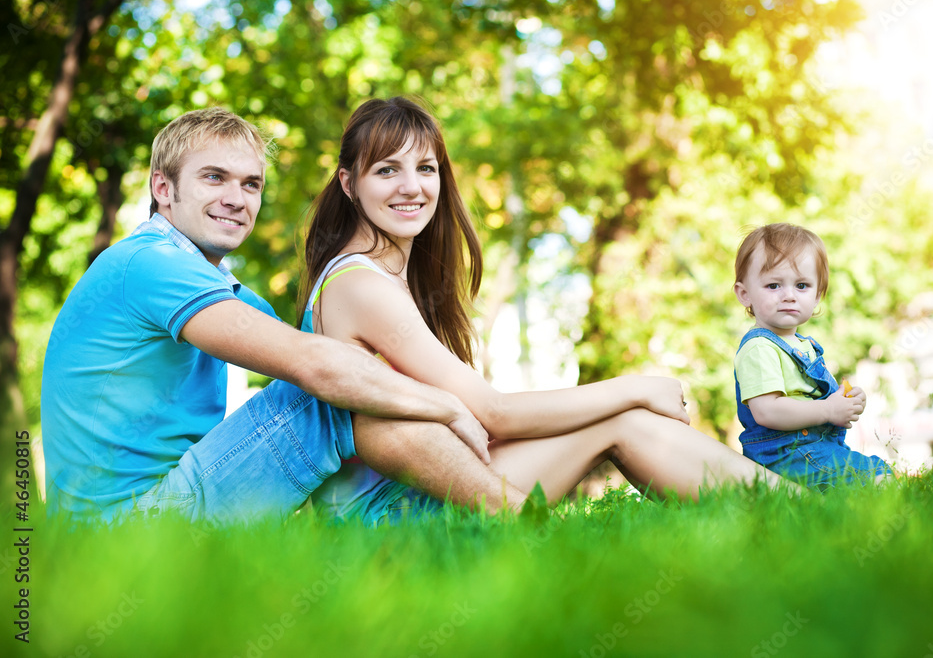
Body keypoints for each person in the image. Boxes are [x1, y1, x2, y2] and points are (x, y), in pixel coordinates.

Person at [298, 97, 789, 526]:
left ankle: (784, 510)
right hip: (388, 517)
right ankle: (796, 508)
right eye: (387, 170)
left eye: (426, 168)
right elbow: (494, 414)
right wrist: (636, 387)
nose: (412, 187)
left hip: (427, 487)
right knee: (626, 418)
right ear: (348, 183)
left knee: (625, 418)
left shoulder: (381, 277)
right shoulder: (360, 283)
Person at [41, 107, 526, 523]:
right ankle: (519, 516)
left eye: (250, 184)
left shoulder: (228, 294)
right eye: (214, 177)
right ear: (163, 188)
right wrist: (448, 405)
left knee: (349, 378)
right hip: (122, 528)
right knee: (330, 389)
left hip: (166, 502)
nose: (236, 198)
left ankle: (442, 523)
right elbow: (319, 369)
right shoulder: (147, 263)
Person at [732, 223, 892, 489]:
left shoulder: (804, 345)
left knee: (878, 471)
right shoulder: (759, 348)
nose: (789, 296)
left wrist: (843, 401)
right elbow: (766, 411)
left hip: (812, 448)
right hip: (784, 454)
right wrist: (827, 410)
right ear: (744, 294)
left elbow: (809, 400)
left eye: (802, 285)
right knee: (872, 479)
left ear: (817, 295)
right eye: (773, 285)